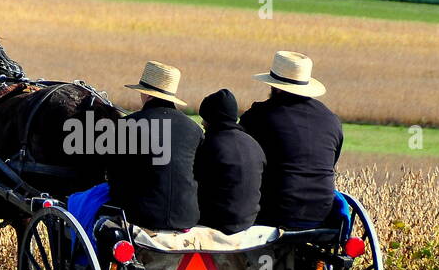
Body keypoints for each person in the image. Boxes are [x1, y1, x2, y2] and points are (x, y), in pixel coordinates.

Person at [240, 51, 343, 230]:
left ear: (276, 87)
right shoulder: (331, 119)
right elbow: (331, 163)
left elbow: (240, 159)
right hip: (321, 212)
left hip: (273, 211)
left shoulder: (258, 116)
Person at [105, 61, 202, 231]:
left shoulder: (128, 125)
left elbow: (113, 174)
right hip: (187, 217)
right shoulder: (194, 129)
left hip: (141, 216)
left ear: (148, 95)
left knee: (84, 202)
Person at [194, 89, 265, 235]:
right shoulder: (253, 144)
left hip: (216, 222)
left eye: (205, 118)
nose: (202, 122)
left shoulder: (209, 145)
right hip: (248, 221)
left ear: (213, 118)